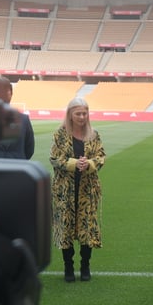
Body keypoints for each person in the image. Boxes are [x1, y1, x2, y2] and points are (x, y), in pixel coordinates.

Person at [50, 97, 106, 282]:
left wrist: (89, 163)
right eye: (78, 114)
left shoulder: (94, 134)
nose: (82, 117)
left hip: (87, 189)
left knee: (86, 228)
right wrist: (74, 164)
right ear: (70, 115)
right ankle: (68, 267)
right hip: (64, 190)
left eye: (85, 113)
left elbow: (101, 157)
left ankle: (85, 266)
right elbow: (54, 158)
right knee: (66, 228)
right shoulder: (60, 135)